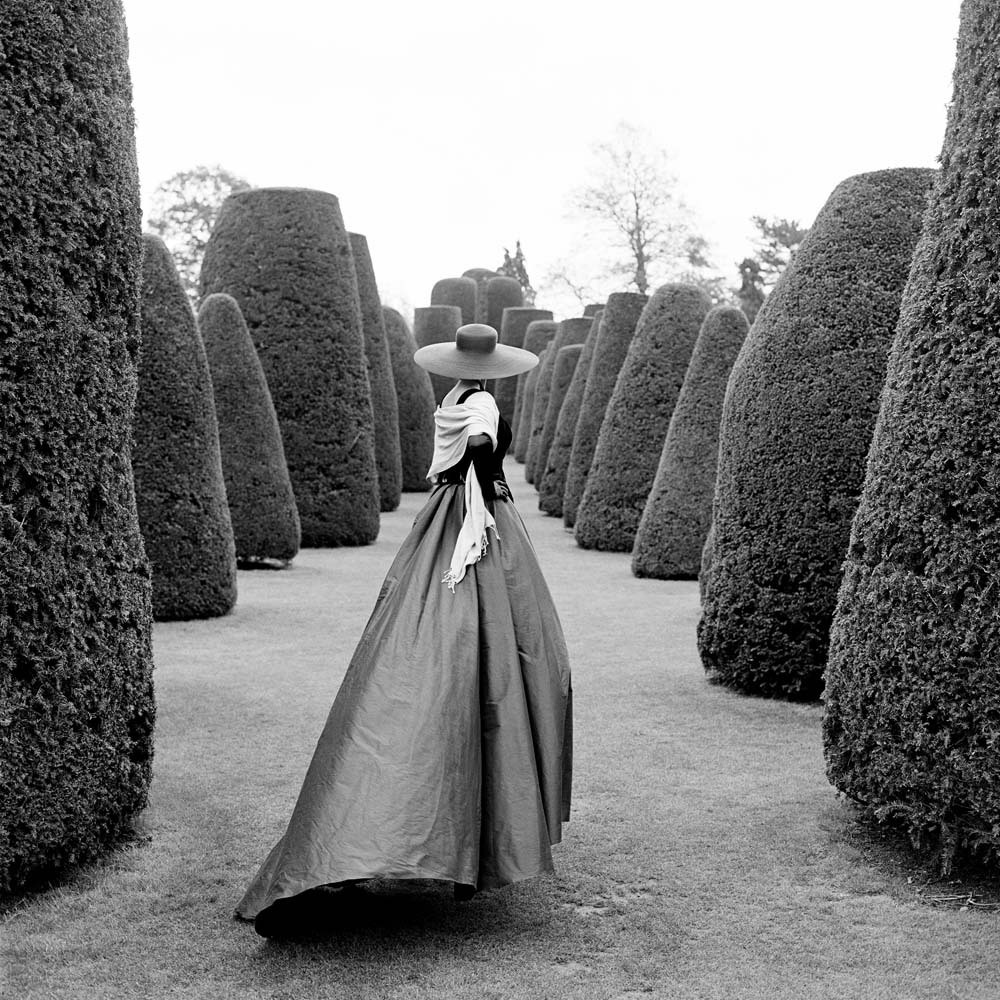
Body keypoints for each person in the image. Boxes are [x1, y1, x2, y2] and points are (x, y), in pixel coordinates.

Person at [235, 323, 573, 937]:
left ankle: (427, 829)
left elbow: (460, 458)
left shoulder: (450, 399)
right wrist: (478, 520)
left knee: (432, 648)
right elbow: (477, 455)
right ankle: (459, 827)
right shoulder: (485, 403)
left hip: (442, 520)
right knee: (502, 659)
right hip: (477, 525)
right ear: (496, 366)